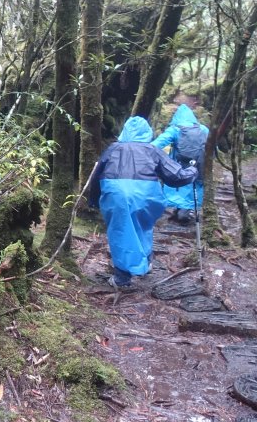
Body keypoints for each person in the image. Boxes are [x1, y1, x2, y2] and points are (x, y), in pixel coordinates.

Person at [88, 116, 198, 288]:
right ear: (147, 132)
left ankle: (122, 278)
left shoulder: (112, 149)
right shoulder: (152, 150)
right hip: (147, 196)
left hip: (116, 195)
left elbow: (96, 175)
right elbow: (175, 176)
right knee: (143, 227)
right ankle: (145, 262)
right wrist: (192, 170)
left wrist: (93, 200)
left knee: (121, 231)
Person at [152, 104, 210, 224]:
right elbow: (212, 147)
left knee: (180, 185)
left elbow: (156, 144)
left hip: (179, 165)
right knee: (193, 186)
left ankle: (180, 211)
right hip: (199, 165)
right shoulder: (204, 129)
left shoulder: (175, 129)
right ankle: (184, 210)